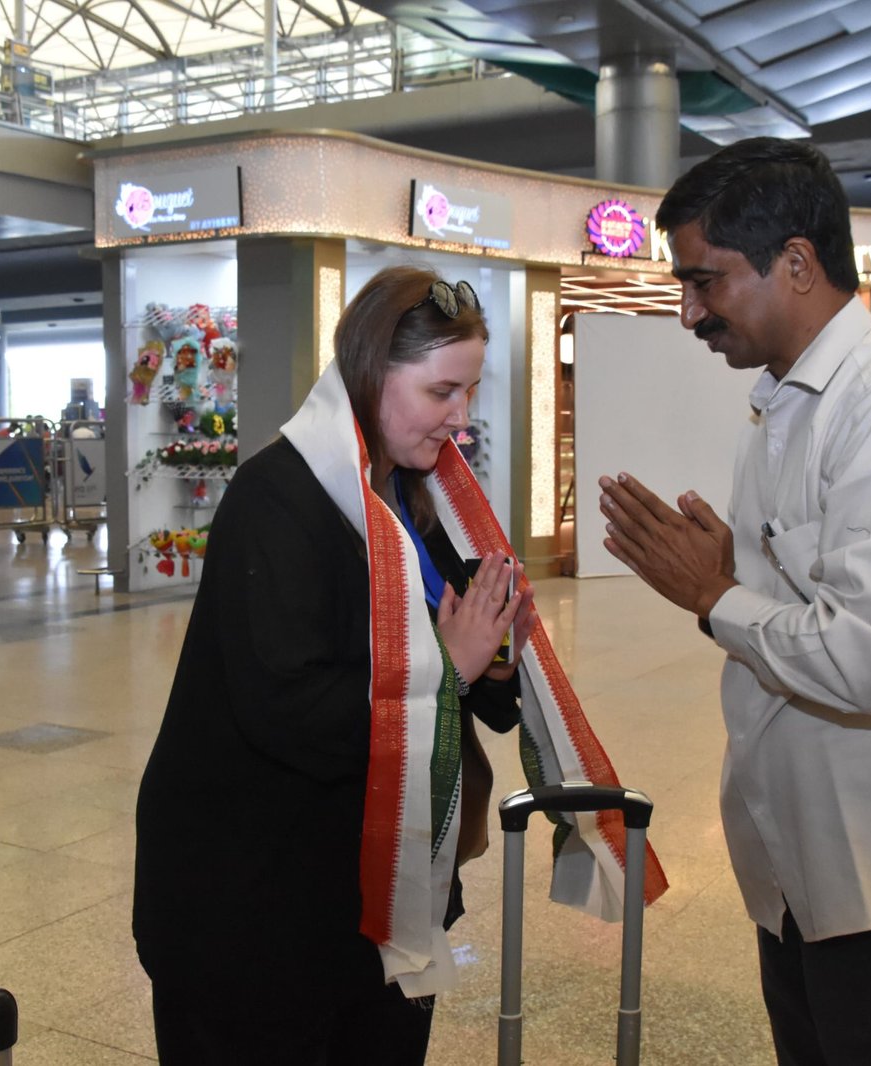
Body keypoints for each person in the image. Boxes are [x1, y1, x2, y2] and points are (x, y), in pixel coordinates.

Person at [135, 265, 665, 1064]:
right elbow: (286, 711)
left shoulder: (418, 497)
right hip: (256, 906)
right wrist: (452, 662)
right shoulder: (277, 498)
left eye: (470, 393)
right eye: (441, 391)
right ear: (371, 370)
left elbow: (480, 699)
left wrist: (490, 659)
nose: (460, 419)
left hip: (379, 901)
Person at [598, 137, 871, 1065]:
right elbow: (796, 614)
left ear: (796, 262)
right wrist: (731, 588)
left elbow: (865, 661)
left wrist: (716, 598)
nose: (687, 312)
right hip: (808, 878)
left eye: (706, 282)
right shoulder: (786, 402)